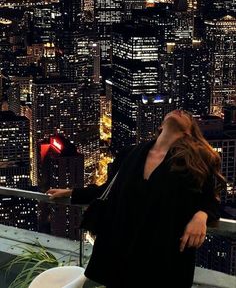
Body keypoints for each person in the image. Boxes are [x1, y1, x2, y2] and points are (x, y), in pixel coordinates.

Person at [47, 110, 226, 288]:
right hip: (123, 253)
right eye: (174, 111)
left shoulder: (195, 161)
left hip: (165, 257)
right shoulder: (129, 154)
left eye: (186, 115)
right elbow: (107, 190)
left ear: (189, 131)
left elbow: (212, 199)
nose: (179, 111)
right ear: (161, 125)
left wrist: (201, 216)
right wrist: (72, 193)